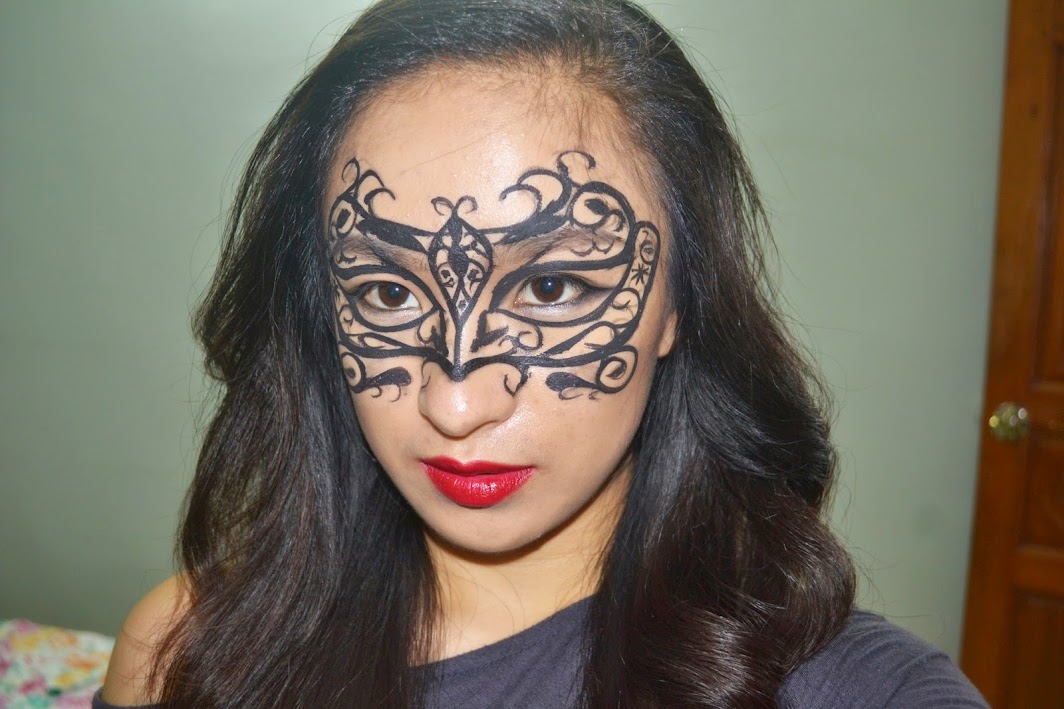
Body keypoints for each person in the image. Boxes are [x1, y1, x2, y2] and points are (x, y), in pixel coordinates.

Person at [95, 0, 988, 706]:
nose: (455, 402)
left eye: (552, 286)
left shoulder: (859, 688)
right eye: (387, 292)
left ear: (679, 300)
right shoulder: (185, 652)